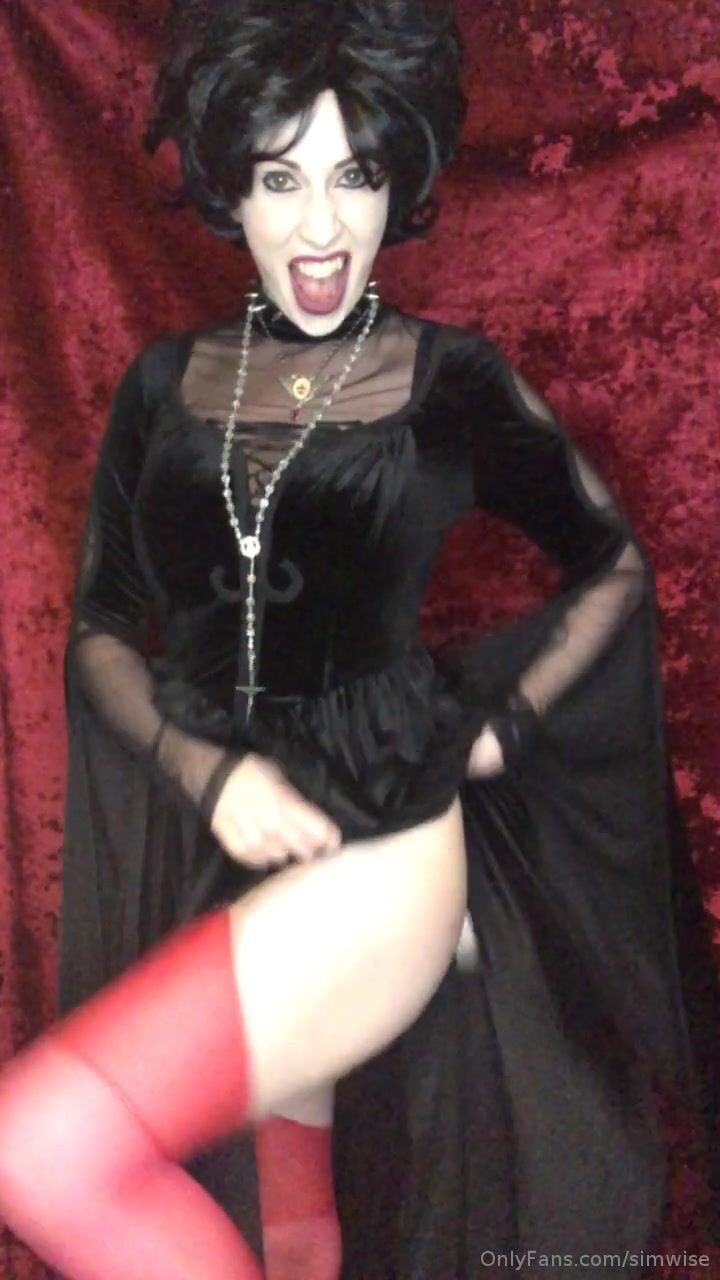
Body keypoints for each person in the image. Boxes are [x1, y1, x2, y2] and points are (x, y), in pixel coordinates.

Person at [0, 1, 717, 1277]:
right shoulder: (164, 385)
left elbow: (612, 563)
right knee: (297, 1228)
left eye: (357, 174)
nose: (322, 224)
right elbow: (103, 625)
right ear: (231, 186)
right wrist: (207, 775)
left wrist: (499, 729)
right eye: (282, 178)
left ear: (401, 180)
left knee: (36, 1146)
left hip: (382, 841)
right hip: (228, 838)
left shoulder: (448, 381)